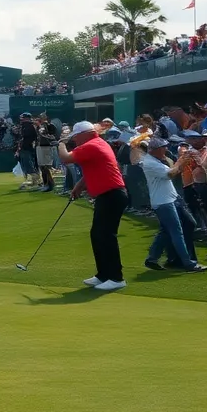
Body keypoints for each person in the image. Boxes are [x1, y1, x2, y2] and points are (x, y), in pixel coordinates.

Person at [58, 121, 129, 291]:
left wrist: (60, 143)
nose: (74, 140)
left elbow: (66, 158)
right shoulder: (96, 144)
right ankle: (103, 275)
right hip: (109, 195)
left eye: (75, 137)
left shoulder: (92, 145)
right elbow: (93, 169)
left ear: (85, 134)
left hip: (112, 194)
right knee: (97, 234)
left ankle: (116, 278)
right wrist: (79, 186)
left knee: (106, 236)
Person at [132, 137, 207, 272]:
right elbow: (171, 174)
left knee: (179, 226)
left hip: (171, 198)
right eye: (163, 147)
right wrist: (180, 161)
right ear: (155, 149)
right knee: (176, 231)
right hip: (163, 202)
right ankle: (188, 263)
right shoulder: (150, 163)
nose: (166, 149)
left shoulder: (157, 160)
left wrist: (181, 162)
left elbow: (173, 167)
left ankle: (153, 258)